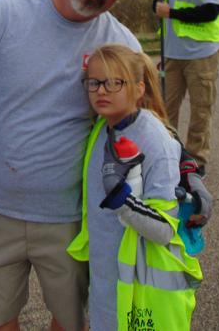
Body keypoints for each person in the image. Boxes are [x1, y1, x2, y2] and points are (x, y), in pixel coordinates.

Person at [0, 0, 212, 331]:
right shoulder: (0, 12)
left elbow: (150, 117)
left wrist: (186, 169)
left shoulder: (119, 44)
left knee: (71, 320)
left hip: (72, 219)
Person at [68, 44, 202, 330]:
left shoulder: (155, 141)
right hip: (107, 277)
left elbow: (164, 229)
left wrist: (122, 198)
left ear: (139, 88)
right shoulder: (103, 127)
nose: (102, 91)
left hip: (140, 285)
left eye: (116, 82)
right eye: (95, 82)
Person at [153, 0, 219, 171]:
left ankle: (196, 161)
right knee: (165, 109)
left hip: (201, 54)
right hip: (173, 53)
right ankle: (168, 155)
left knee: (200, 111)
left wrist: (171, 12)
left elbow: (211, 11)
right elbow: (161, 8)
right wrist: (156, 1)